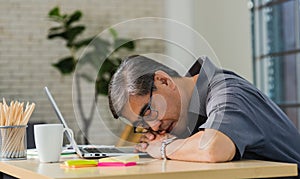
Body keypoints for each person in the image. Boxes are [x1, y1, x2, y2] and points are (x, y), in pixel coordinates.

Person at [108, 55, 300, 178]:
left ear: (163, 81)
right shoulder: (188, 116)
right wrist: (171, 141)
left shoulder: (227, 91)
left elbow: (213, 148)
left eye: (148, 111)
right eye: (143, 124)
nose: (155, 126)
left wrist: (164, 147)